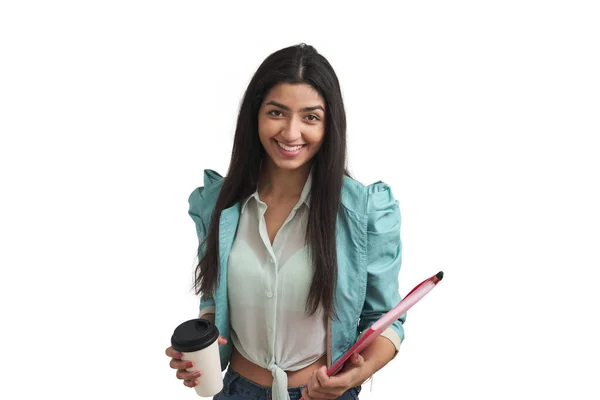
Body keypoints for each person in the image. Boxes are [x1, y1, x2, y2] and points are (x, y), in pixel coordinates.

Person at [165, 43, 405, 400]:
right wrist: (203, 349)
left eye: (310, 117)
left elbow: (386, 320)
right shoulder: (218, 204)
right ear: (255, 116)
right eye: (277, 113)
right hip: (235, 391)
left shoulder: (366, 211)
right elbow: (214, 301)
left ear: (329, 125)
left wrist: (360, 373)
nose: (291, 133)